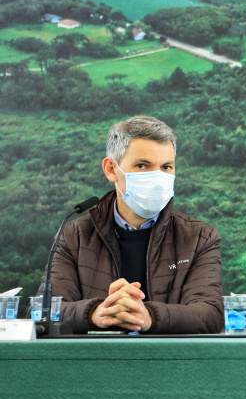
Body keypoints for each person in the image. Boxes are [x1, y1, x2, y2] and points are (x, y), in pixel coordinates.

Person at [40, 116, 224, 334]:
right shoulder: (73, 235)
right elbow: (44, 311)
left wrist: (148, 316)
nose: (157, 178)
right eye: (142, 165)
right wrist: (96, 313)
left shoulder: (200, 237)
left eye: (166, 167)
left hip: (170, 364)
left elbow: (210, 314)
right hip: (93, 364)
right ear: (111, 169)